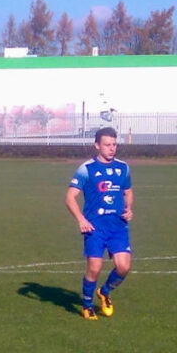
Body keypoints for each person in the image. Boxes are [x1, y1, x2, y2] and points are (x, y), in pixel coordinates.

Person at [64, 127, 133, 320]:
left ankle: (104, 292)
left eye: (114, 144)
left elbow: (128, 192)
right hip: (95, 228)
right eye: (107, 145)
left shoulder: (123, 168)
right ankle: (87, 306)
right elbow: (70, 197)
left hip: (118, 227)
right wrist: (81, 220)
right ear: (97, 146)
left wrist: (129, 208)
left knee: (124, 267)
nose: (112, 149)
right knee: (94, 268)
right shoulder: (86, 169)